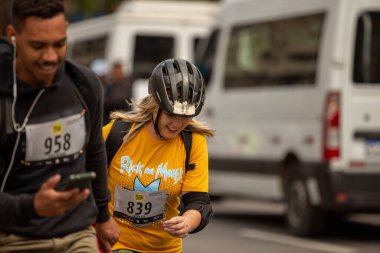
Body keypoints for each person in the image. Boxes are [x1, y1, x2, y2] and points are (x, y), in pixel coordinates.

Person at [0, 1, 119, 252]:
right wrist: (33, 206)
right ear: (13, 35)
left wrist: (103, 216)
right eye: (38, 46)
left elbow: (94, 152)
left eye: (59, 44)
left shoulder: (85, 85)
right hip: (12, 238)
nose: (50, 57)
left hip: (77, 235)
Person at [103, 58, 215, 253]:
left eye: (186, 116)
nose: (177, 124)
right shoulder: (117, 133)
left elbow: (199, 202)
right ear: (155, 104)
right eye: (171, 114)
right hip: (117, 243)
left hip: (165, 248)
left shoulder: (193, 141)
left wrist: (187, 222)